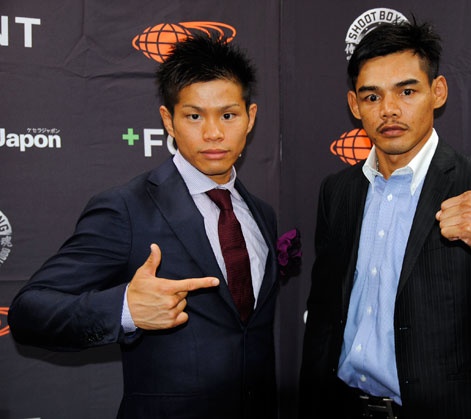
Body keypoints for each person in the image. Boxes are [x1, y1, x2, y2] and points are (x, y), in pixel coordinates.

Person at [299, 19, 471, 419]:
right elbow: (324, 316)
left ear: (438, 92)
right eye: (372, 96)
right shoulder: (337, 191)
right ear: (355, 106)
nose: (389, 110)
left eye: (407, 91)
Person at [9, 35, 280, 419]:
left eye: (228, 115)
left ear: (250, 117)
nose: (213, 133)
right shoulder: (127, 208)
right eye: (194, 116)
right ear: (168, 120)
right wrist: (125, 309)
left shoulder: (261, 214)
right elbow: (28, 313)